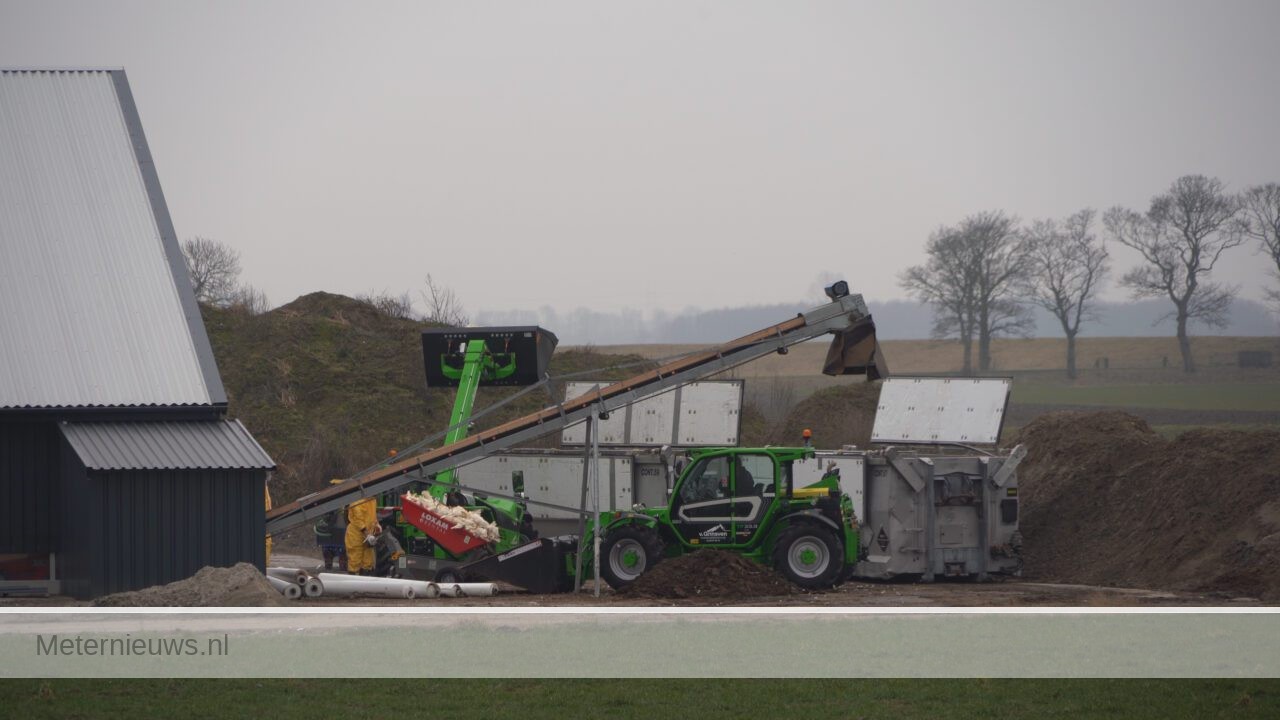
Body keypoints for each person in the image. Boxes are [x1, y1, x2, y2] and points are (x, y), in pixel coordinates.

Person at [344, 496, 380, 575]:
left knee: (368, 562)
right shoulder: (357, 501)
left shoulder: (372, 500)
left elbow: (372, 517)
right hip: (355, 534)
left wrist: (377, 525)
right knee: (355, 560)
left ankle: (365, 582)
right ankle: (353, 583)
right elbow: (358, 519)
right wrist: (366, 533)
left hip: (368, 535)